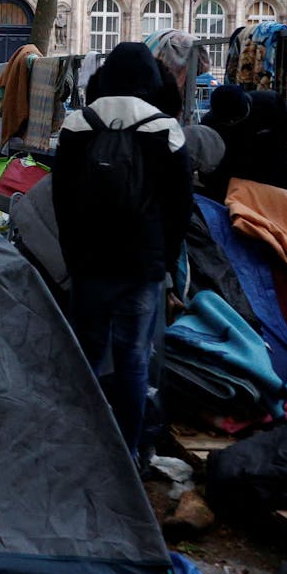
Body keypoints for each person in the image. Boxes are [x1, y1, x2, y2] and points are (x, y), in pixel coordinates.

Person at [52, 42, 191, 461]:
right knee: (132, 360)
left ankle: (80, 450)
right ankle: (128, 456)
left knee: (86, 360)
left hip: (89, 263)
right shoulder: (165, 128)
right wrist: (163, 264)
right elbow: (180, 207)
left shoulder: (78, 123)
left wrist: (72, 255)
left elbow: (62, 199)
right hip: (141, 266)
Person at [201, 85, 287, 206]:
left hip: (277, 169)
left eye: (237, 120)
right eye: (229, 122)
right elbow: (209, 170)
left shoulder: (270, 104)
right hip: (235, 178)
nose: (233, 123)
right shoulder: (209, 125)